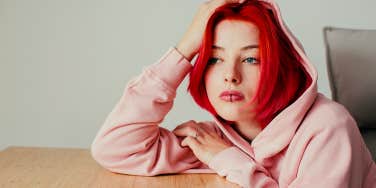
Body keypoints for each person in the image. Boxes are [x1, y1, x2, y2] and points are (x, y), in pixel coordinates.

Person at [91, 0, 376, 187]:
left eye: (252, 59)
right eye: (214, 58)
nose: (230, 75)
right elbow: (115, 147)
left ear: (282, 67)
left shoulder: (329, 127)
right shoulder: (215, 140)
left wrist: (229, 160)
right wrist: (185, 48)